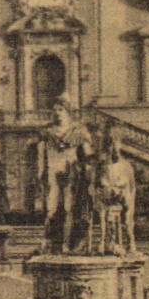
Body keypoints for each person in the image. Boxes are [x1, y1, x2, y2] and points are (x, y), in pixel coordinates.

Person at [39, 98, 92, 253]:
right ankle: (47, 241)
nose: (57, 113)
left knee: (70, 207)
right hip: (53, 172)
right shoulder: (47, 132)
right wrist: (41, 170)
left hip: (72, 173)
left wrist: (86, 169)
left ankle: (67, 244)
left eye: (61, 110)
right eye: (55, 110)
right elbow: (41, 154)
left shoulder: (78, 131)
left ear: (68, 112)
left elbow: (88, 155)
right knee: (52, 208)